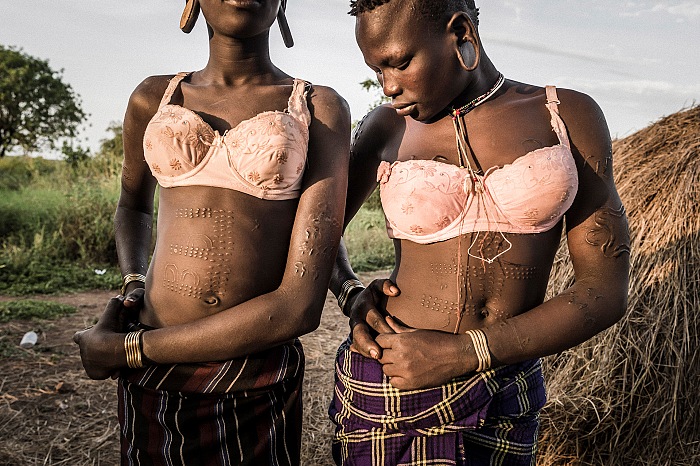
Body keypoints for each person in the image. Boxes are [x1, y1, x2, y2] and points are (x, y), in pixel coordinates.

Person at [327, 0, 630, 465]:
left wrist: (468, 353)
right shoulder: (386, 128)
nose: (389, 87)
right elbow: (316, 235)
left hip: (506, 391)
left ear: (461, 33)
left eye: (401, 63)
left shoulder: (564, 115)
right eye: (377, 69)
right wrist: (351, 293)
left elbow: (604, 290)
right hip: (393, 381)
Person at [72, 1, 350, 464]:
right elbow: (133, 204)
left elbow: (300, 306)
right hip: (156, 380)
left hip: (256, 372)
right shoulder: (154, 97)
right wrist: (133, 282)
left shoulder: (317, 107)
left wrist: (129, 350)